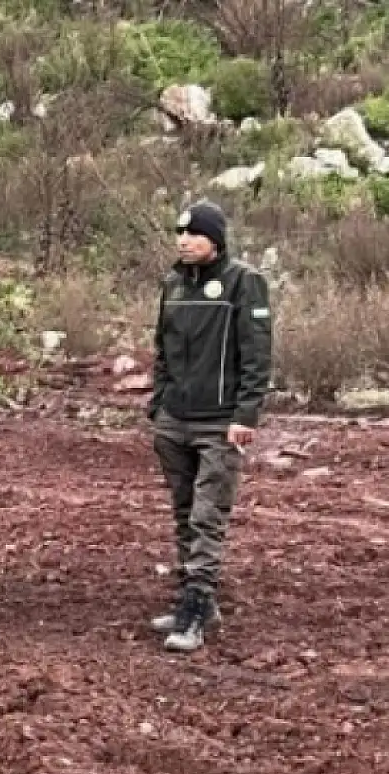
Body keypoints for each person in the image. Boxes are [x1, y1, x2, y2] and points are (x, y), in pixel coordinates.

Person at [148, 199, 272, 653]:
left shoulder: (244, 282)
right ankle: (191, 595)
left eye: (193, 233)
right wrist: (159, 405)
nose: (184, 240)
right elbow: (162, 350)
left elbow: (257, 356)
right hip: (174, 420)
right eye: (179, 233)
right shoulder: (173, 285)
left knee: (207, 516)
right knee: (184, 513)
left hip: (219, 423)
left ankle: (197, 608)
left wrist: (245, 415)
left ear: (215, 239)